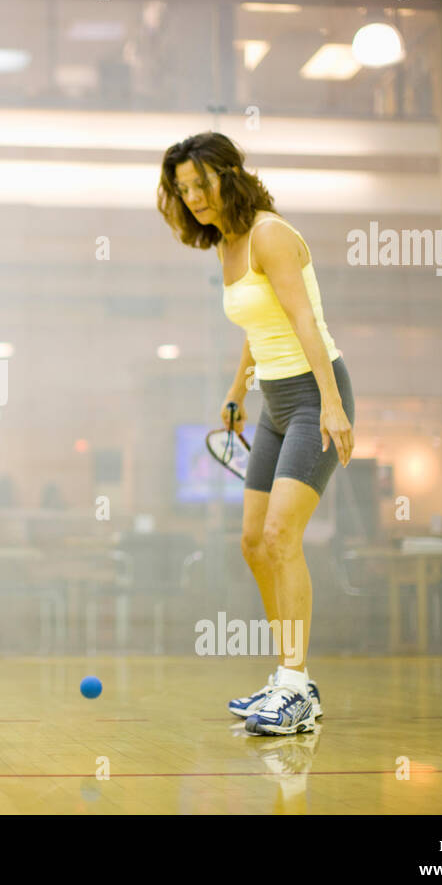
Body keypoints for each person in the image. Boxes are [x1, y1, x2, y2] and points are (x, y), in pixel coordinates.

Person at [158, 132, 355, 735]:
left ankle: (296, 685)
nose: (192, 197)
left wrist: (331, 405)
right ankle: (287, 674)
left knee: (280, 535)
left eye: (200, 183)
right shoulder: (229, 243)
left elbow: (302, 318)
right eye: (183, 189)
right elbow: (258, 321)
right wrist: (237, 391)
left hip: (313, 394)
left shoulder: (269, 233)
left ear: (228, 175)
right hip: (272, 400)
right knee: (251, 540)